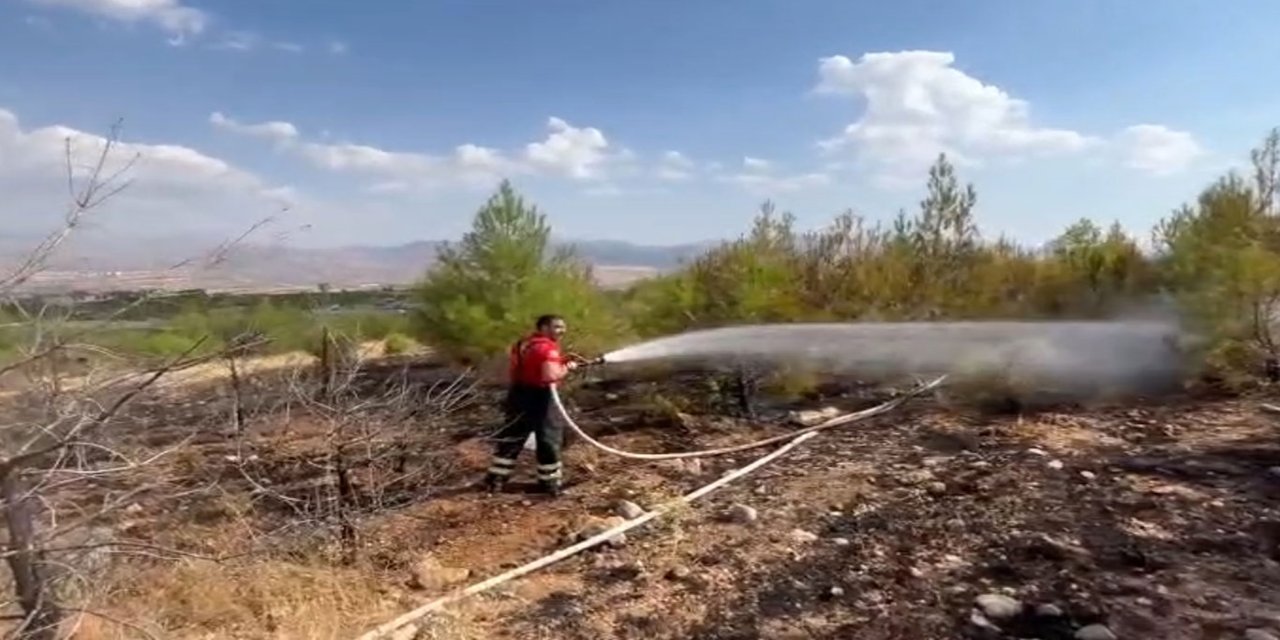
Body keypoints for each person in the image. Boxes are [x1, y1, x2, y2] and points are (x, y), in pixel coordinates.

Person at [483, 314, 581, 497]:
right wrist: (568, 367)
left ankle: (495, 480)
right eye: (558, 327)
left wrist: (559, 361)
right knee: (549, 438)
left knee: (512, 435)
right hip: (542, 396)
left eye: (563, 327)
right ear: (544, 328)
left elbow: (529, 366)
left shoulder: (524, 343)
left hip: (518, 394)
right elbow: (550, 376)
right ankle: (550, 484)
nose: (562, 331)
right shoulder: (547, 349)